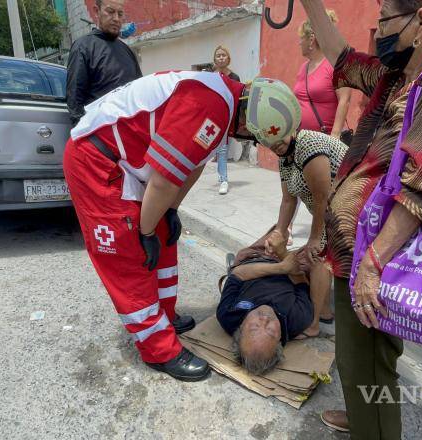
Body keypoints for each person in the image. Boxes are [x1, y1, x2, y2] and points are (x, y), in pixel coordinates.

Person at [300, 0, 422, 436]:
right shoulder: (398, 76)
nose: (378, 29)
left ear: (421, 21)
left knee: (365, 362)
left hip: (378, 258)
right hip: (360, 252)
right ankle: (366, 415)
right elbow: (343, 59)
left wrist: (372, 264)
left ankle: (376, 426)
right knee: (362, 360)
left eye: (385, 19)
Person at [63, 72, 301, 381]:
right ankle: (158, 349)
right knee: (128, 254)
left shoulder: (224, 104)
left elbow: (192, 165)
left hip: (127, 164)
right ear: (247, 121)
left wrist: (170, 211)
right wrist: (145, 231)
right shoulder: (210, 106)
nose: (246, 139)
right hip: (96, 161)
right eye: (251, 135)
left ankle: (164, 315)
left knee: (164, 237)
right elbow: (163, 180)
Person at [261, 128, 348, 334]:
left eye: (278, 134)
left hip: (345, 207)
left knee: (317, 256)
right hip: (329, 211)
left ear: (291, 127)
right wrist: (279, 233)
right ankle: (325, 311)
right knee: (312, 255)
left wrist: (315, 238)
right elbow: (288, 199)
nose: (274, 143)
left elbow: (323, 197)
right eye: (267, 139)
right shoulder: (285, 157)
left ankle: (313, 323)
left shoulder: (308, 143)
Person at [217, 231, 314, 375]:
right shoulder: (298, 319)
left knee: (277, 230)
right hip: (289, 265)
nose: (264, 320)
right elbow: (301, 282)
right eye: (270, 330)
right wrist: (283, 254)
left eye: (255, 326)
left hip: (253, 261)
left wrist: (280, 267)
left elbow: (237, 274)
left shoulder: (227, 315)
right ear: (280, 339)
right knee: (314, 254)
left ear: (241, 327)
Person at [66, 0, 142, 127]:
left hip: (130, 134)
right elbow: (75, 101)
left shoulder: (127, 51)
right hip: (101, 136)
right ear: (97, 11)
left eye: (120, 13)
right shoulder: (83, 47)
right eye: (110, 12)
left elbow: (139, 92)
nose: (116, 19)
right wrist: (85, 136)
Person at [294, 10, 352, 138]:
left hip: (325, 140)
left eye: (301, 38)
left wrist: (335, 136)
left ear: (311, 39)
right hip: (302, 139)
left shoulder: (335, 64)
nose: (299, 43)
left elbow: (345, 99)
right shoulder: (303, 68)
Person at [212, 46, 240, 195]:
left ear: (228, 59)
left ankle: (224, 180)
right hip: (212, 118)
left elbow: (237, 99)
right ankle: (220, 174)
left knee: (222, 149)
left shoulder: (234, 77)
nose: (221, 57)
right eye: (218, 55)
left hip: (227, 117)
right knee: (214, 148)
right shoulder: (210, 76)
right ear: (215, 59)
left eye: (224, 55)